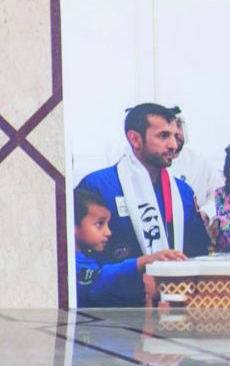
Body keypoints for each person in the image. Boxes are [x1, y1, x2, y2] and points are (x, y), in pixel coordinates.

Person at [74, 103, 208, 266]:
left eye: (174, 136)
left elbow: (198, 252)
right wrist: (135, 278)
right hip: (116, 290)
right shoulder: (97, 186)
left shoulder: (183, 192)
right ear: (135, 139)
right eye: (163, 136)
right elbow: (79, 257)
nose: (173, 144)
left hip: (174, 287)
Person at [74, 187, 183, 307]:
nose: (108, 232)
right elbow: (99, 279)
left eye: (107, 224)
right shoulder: (72, 267)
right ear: (73, 226)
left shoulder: (97, 259)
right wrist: (143, 261)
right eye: (99, 224)